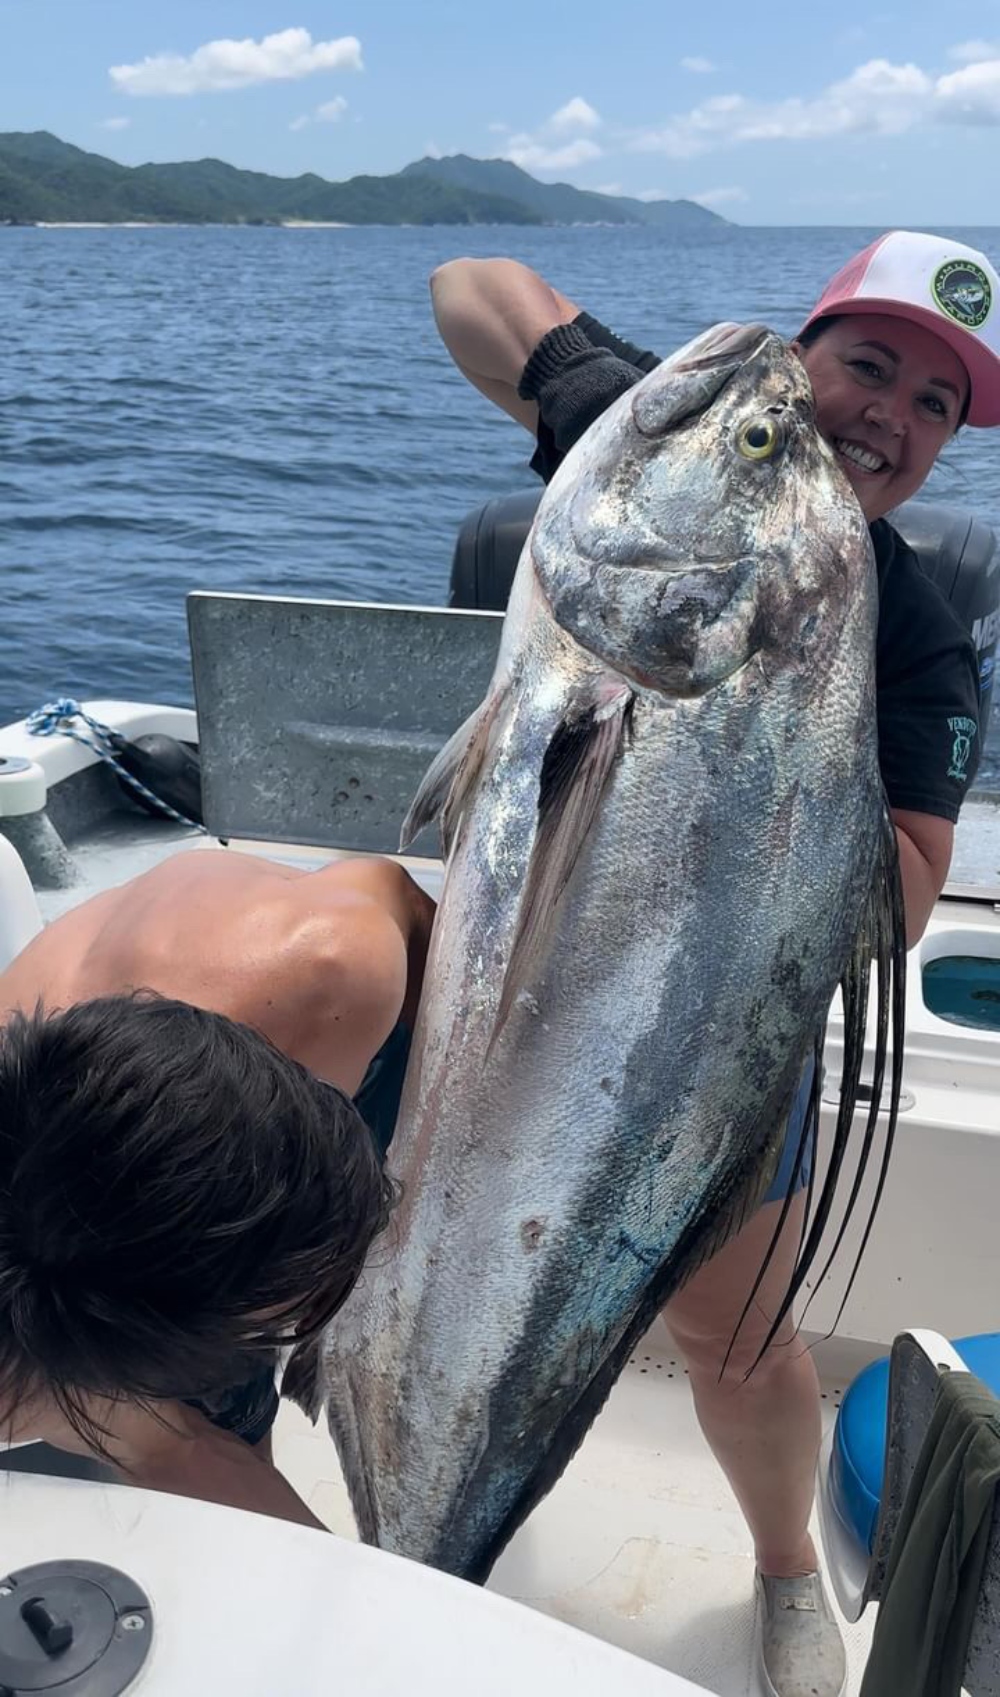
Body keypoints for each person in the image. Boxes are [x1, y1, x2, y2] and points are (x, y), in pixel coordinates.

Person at [430, 229, 1000, 1697]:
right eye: (870, 364)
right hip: (499, 939)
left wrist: (781, 719)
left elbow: (908, 902)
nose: (891, 414)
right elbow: (470, 288)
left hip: (714, 1012)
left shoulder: (922, 634)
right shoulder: (675, 463)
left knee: (736, 1337)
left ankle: (786, 1572)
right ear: (807, 353)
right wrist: (610, 381)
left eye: (934, 406)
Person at [0, 845, 435, 1528]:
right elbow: (176, 1450)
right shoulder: (21, 1383)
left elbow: (397, 891)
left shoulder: (334, 961)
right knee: (218, 1424)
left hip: (275, 969)